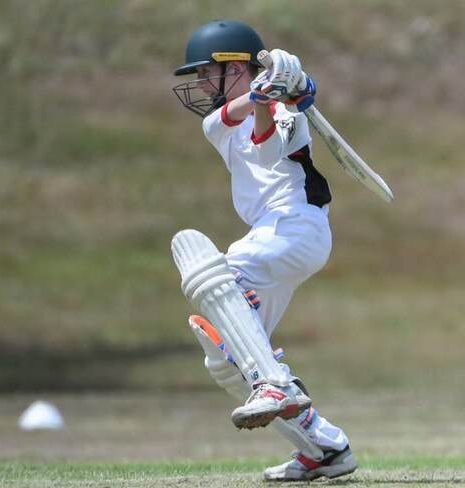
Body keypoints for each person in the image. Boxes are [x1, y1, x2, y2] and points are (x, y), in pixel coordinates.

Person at [172, 19, 357, 482]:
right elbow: (239, 113)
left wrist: (283, 98)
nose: (197, 83)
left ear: (233, 66)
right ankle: (325, 448)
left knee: (218, 275)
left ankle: (276, 386)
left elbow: (265, 137)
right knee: (230, 359)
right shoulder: (217, 123)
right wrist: (263, 91)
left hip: (294, 228)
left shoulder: (286, 116)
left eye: (203, 73)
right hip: (276, 236)